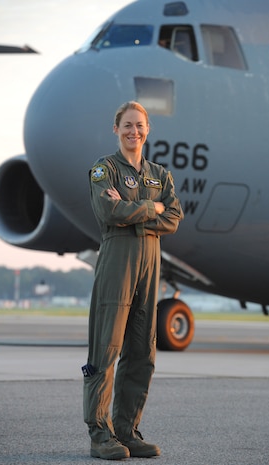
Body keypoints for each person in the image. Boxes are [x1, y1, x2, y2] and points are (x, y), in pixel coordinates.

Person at [82, 101, 184, 460]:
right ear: (116, 129)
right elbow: (107, 211)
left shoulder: (160, 175)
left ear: (147, 129)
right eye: (127, 125)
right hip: (118, 261)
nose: (133, 131)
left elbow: (174, 216)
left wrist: (135, 210)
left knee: (142, 351)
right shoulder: (104, 169)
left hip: (150, 263)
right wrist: (150, 208)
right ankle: (100, 434)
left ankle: (126, 431)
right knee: (106, 349)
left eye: (139, 125)